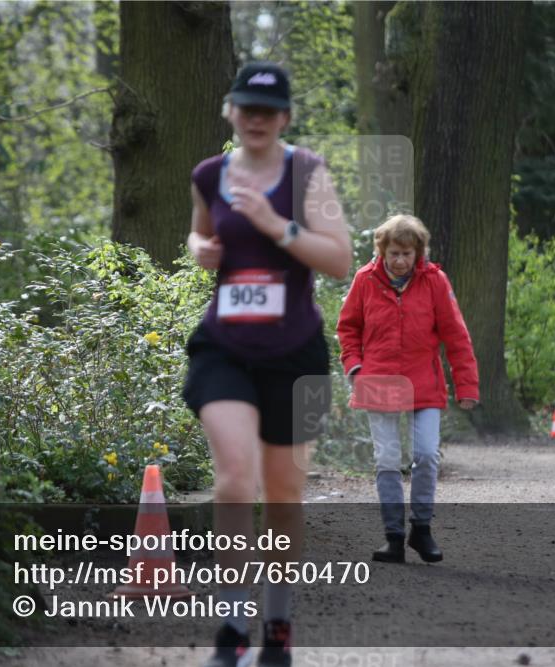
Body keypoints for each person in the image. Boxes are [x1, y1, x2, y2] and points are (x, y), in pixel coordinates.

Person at [183, 61, 352, 667]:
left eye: (268, 111)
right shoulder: (209, 175)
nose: (255, 119)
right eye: (246, 109)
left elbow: (339, 260)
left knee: (284, 493)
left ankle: (277, 624)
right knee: (234, 477)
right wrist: (201, 249)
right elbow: (200, 239)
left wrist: (275, 225)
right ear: (230, 111)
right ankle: (232, 627)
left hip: (295, 352)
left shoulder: (307, 172)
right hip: (224, 347)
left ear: (285, 117)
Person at [336, 214, 479, 564]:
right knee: (386, 459)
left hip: (423, 381)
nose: (400, 261)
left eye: (407, 254)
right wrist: (354, 365)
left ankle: (421, 529)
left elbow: (456, 336)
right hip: (378, 380)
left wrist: (466, 384)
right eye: (394, 253)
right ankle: (394, 537)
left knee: (427, 454)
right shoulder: (365, 280)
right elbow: (348, 328)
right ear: (382, 251)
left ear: (418, 253)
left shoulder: (435, 281)